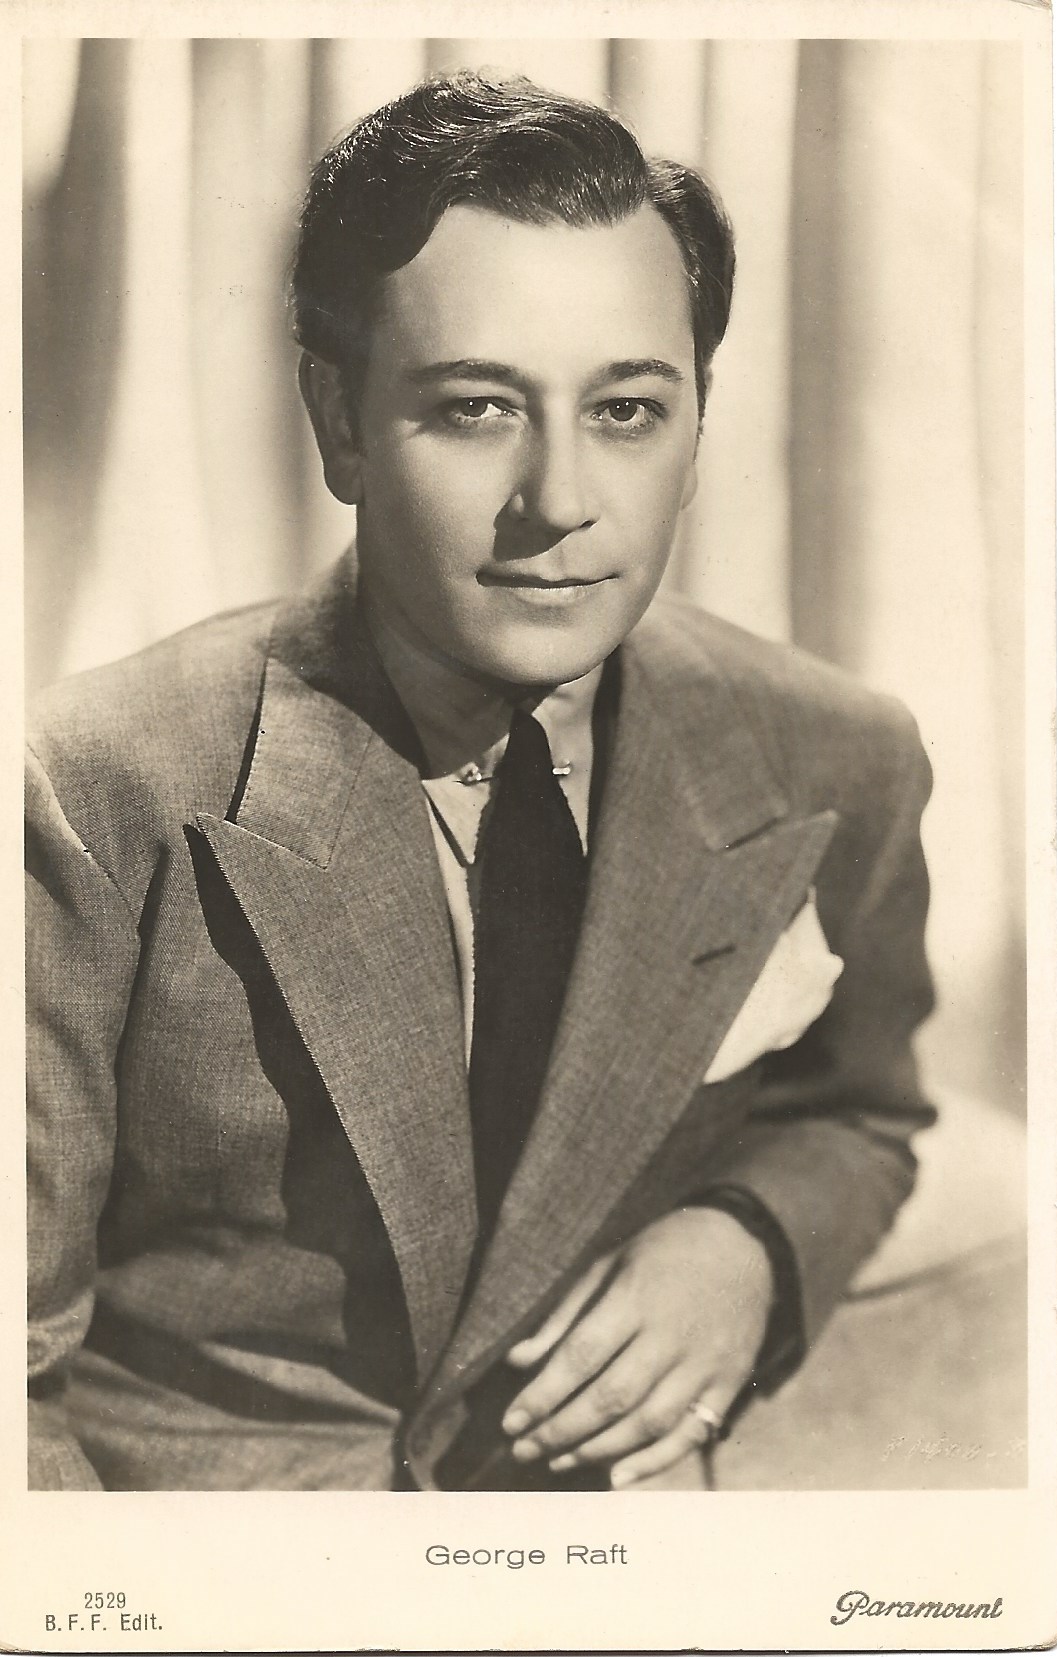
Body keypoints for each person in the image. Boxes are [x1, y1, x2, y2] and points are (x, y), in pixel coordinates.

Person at [26, 71, 936, 1492]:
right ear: (338, 421)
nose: (559, 500)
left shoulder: (835, 753)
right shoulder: (96, 785)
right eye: (474, 407)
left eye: (627, 409)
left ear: (699, 426)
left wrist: (751, 1239)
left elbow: (860, 1109)